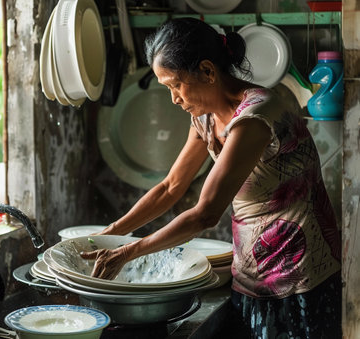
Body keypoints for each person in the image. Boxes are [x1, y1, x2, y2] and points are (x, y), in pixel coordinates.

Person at [81, 17, 341, 338]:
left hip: (298, 275)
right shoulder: (204, 117)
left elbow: (206, 213)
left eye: (175, 84)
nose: (174, 98)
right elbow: (170, 187)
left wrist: (127, 252)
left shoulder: (256, 116)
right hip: (251, 273)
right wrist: (114, 233)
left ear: (207, 71)